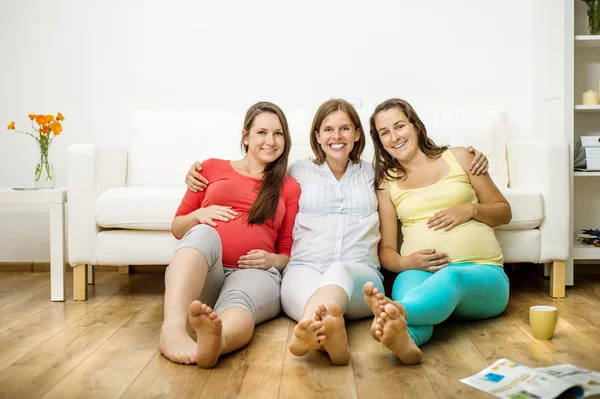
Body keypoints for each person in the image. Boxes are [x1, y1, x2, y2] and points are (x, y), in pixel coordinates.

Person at [185, 99, 490, 366]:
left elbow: (419, 167)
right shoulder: (296, 172)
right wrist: (201, 176)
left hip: (359, 276)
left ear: (358, 135)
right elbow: (251, 179)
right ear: (316, 136)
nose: (337, 136)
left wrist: (470, 157)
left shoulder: (377, 174)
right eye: (328, 129)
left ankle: (310, 332)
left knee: (338, 270)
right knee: (316, 291)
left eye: (345, 128)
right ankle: (328, 336)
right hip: (302, 271)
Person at [363, 98, 511, 365]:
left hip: (482, 275)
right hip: (420, 274)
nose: (394, 137)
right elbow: (386, 251)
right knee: (407, 287)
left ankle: (397, 312)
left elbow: (503, 212)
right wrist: (407, 263)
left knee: (451, 276)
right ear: (380, 141)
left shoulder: (461, 157)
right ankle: (406, 340)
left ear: (416, 126)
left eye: (399, 126)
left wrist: (470, 210)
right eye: (385, 133)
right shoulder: (387, 182)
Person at [158, 101, 301, 368]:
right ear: (245, 137)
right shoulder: (210, 168)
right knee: (201, 233)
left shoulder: (288, 185)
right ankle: (173, 331)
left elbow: (287, 252)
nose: (271, 140)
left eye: (278, 133)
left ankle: (216, 341)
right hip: (205, 273)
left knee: (240, 301)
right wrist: (198, 216)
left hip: (254, 274)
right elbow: (178, 228)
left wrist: (271, 260)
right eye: (262, 132)